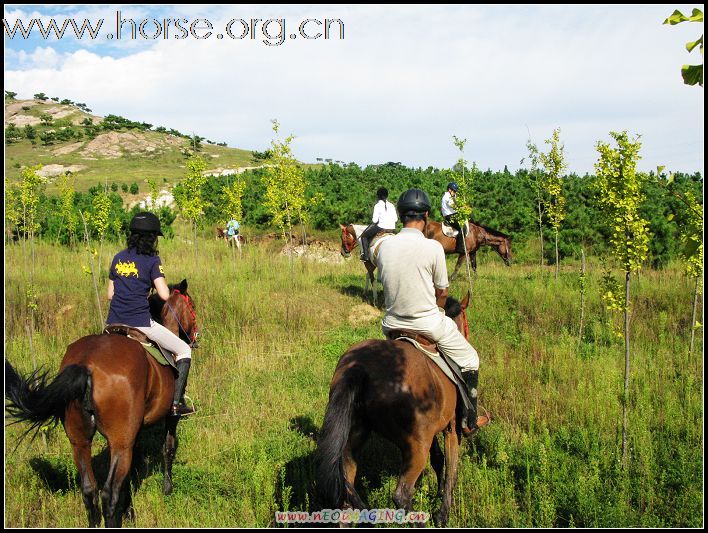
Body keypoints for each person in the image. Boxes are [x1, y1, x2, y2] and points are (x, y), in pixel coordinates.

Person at [376, 189, 490, 436]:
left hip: (392, 324)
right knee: (471, 359)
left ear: (400, 215)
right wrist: (438, 308)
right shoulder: (433, 248)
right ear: (426, 215)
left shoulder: (383, 247)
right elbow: (442, 292)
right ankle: (468, 422)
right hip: (426, 324)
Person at [106, 212, 195, 417]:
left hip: (113, 322)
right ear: (152, 237)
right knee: (183, 350)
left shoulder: (118, 258)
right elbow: (164, 295)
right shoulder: (152, 260)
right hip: (140, 322)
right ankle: (175, 404)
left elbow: (110, 295)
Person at [360, 187, 398, 262]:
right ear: (387, 195)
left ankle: (366, 256)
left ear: (378, 196)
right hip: (392, 229)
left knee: (364, 236)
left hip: (381, 228)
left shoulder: (377, 206)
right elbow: (396, 219)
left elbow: (374, 220)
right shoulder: (392, 205)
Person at [441, 182, 466, 254]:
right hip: (449, 216)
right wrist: (463, 208)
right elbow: (454, 206)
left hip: (453, 214)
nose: (455, 192)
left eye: (455, 191)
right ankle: (459, 248)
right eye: (454, 191)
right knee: (462, 228)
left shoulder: (451, 196)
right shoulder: (447, 197)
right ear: (449, 190)